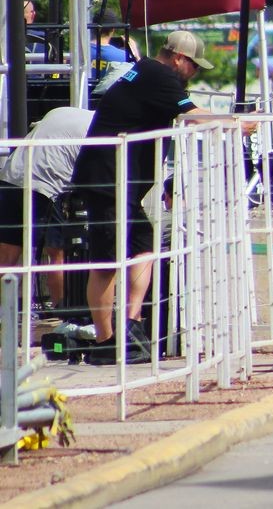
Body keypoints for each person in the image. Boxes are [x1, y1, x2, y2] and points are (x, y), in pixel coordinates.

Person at [71, 31, 228, 365]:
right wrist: (234, 123)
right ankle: (105, 340)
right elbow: (193, 113)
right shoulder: (159, 75)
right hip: (106, 180)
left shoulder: (146, 71)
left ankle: (129, 324)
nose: (195, 74)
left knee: (144, 243)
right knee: (106, 262)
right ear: (178, 59)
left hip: (118, 182)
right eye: (194, 66)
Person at [0, 107, 94, 308]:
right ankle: (62, 310)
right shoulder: (101, 129)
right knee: (57, 252)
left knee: (6, 253)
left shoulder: (64, 111)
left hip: (11, 175)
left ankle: (3, 311)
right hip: (45, 186)